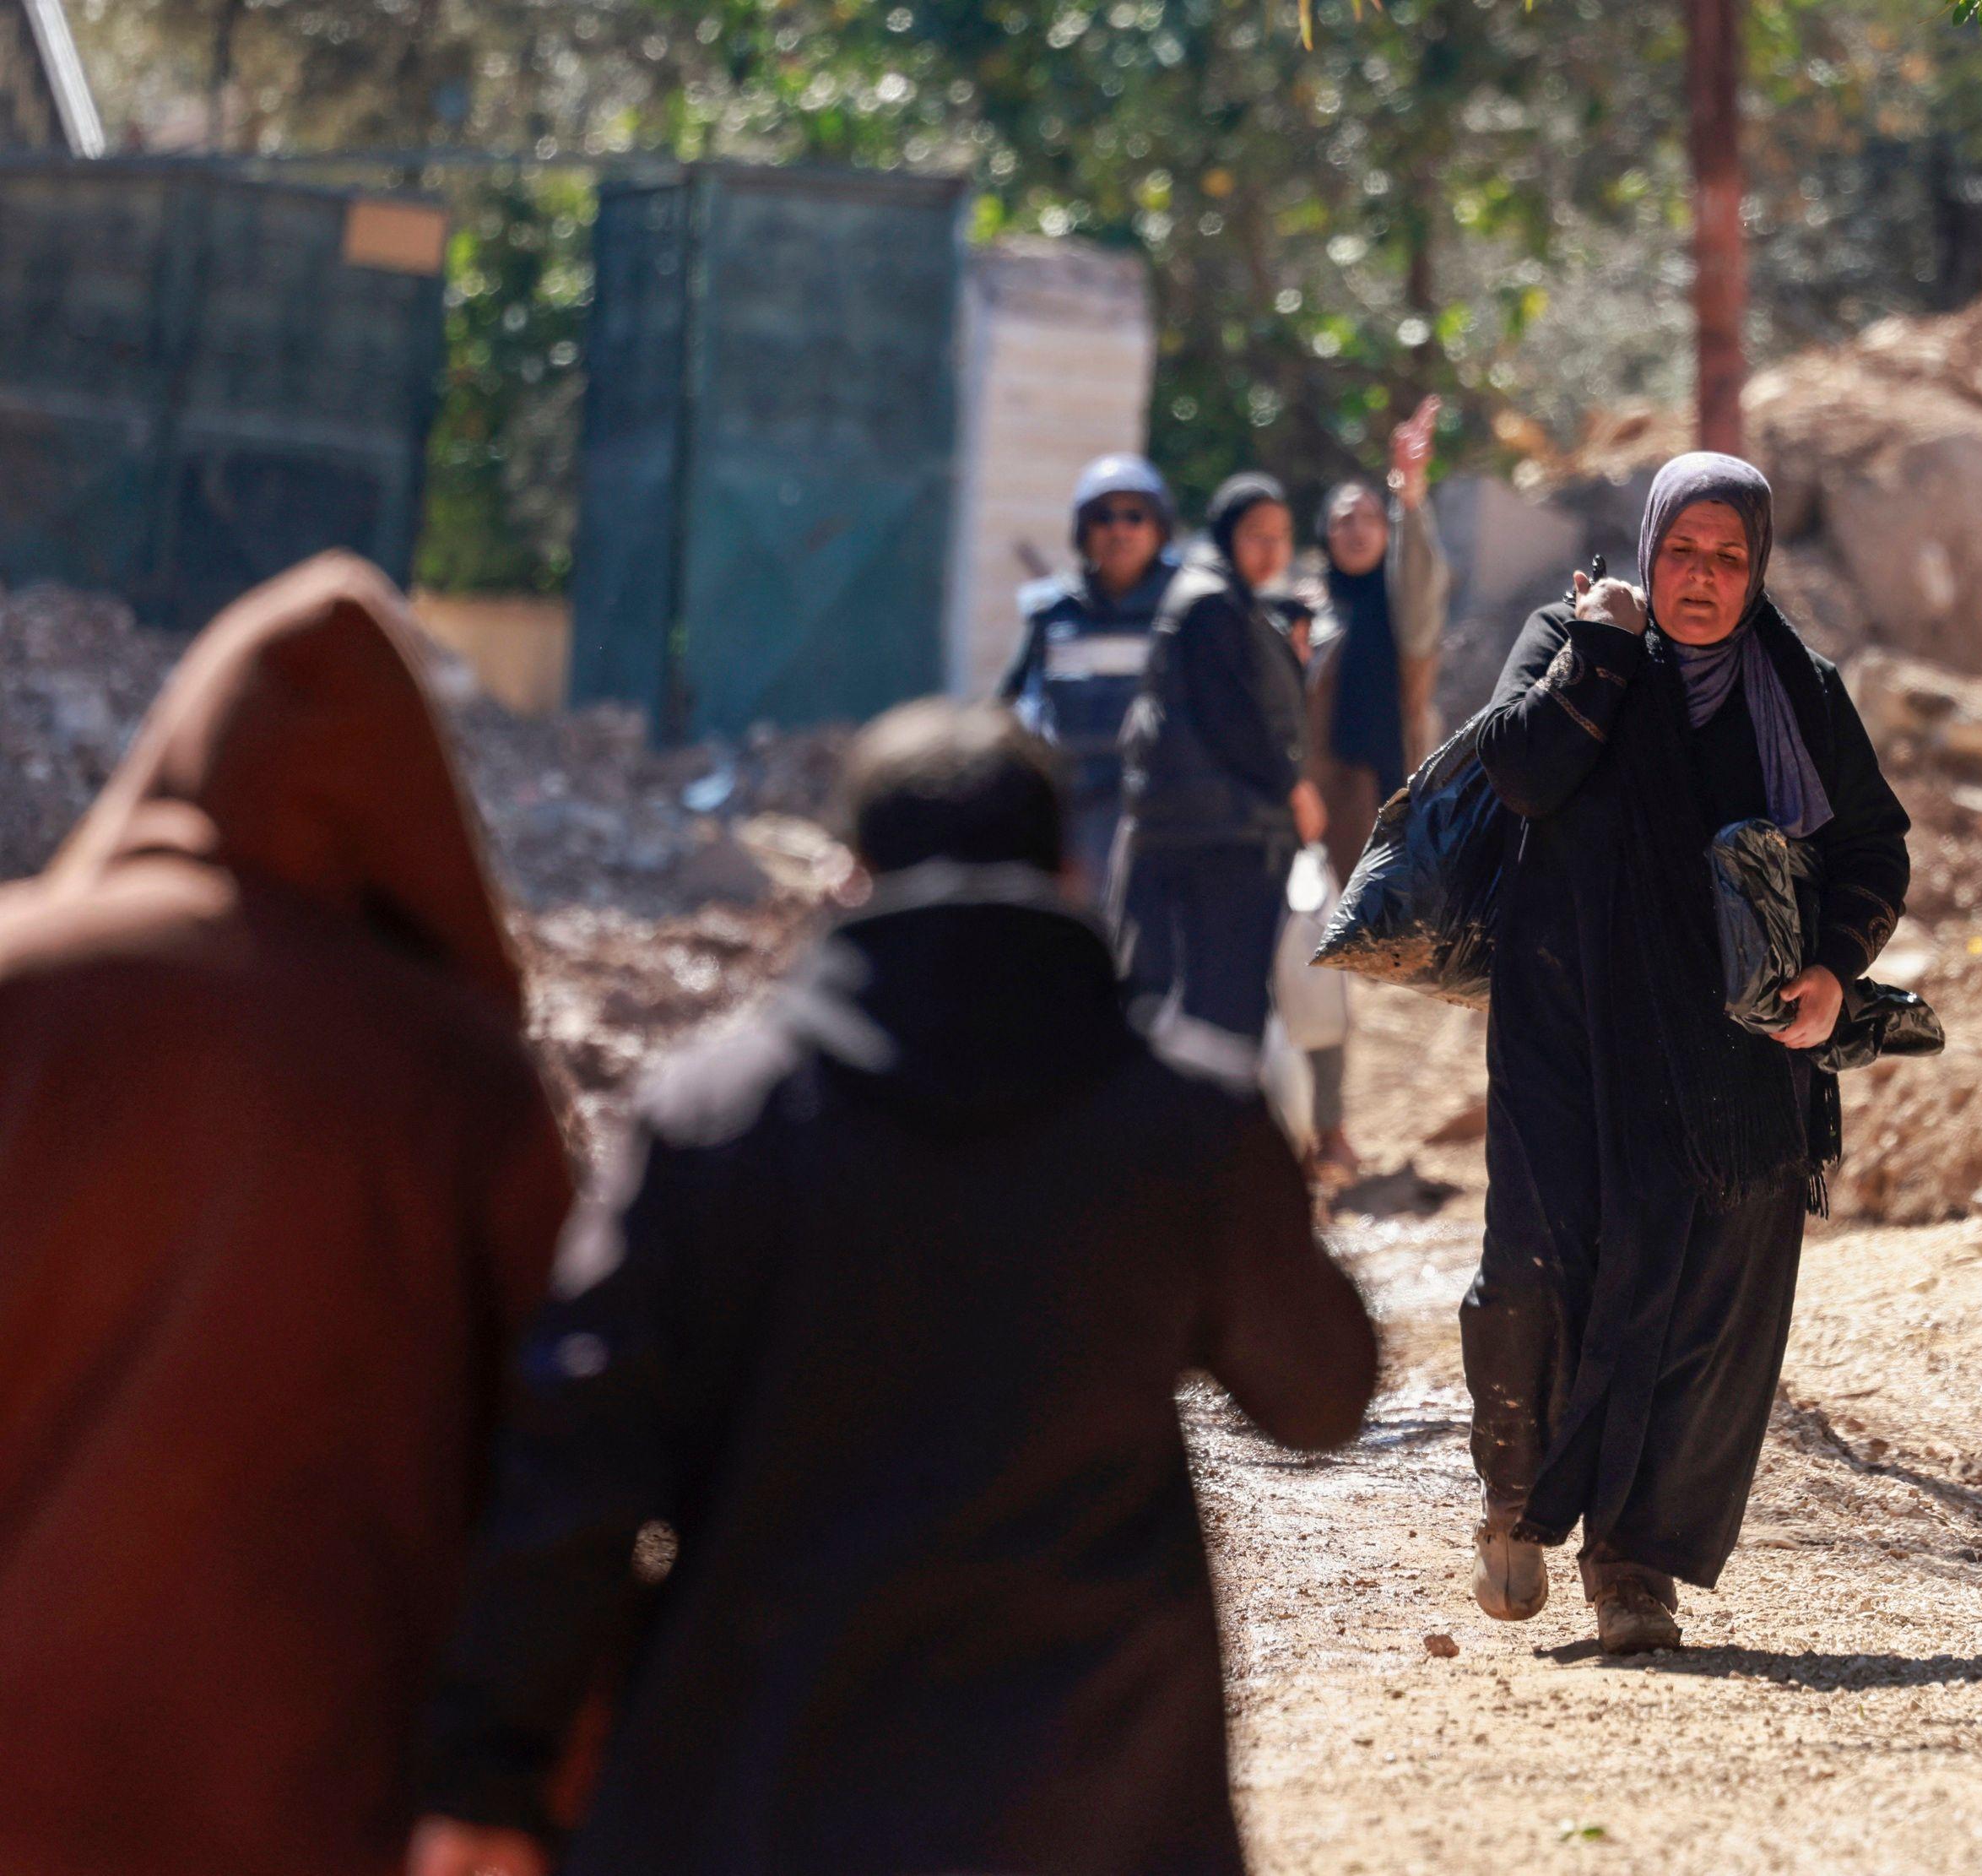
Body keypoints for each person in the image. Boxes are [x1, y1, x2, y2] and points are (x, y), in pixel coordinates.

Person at [406, 700, 1378, 1876]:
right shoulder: (1184, 1117)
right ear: (1071, 873)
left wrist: (488, 1775)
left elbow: (576, 1463)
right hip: (1097, 1807)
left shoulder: (714, 1121)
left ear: (847, 880)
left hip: (768, 1800)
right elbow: (1321, 1397)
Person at [0, 555, 572, 1876]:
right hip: (315, 1795)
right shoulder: (455, 1076)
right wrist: (531, 1780)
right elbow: (559, 1465)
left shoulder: (27, 981)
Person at [1458, 453, 1910, 1653]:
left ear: (1757, 570)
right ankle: (1515, 1494)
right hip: (1567, 1029)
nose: (1701, 579)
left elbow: (1872, 848)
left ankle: (1635, 1566)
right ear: (1646, 547)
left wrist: (1835, 967)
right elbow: (1520, 771)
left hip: (1730, 1058)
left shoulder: (1796, 690)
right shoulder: (1570, 638)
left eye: (1728, 557)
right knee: (1542, 1262)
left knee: (1701, 1300)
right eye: (1680, 553)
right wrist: (1603, 653)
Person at [1113, 472, 1327, 1068]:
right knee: (1218, 1015)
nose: (1272, 549)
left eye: (1281, 535)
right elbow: (1234, 720)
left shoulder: (1227, 600)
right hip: (1218, 837)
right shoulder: (1209, 603)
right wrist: (1293, 789)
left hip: (1212, 827)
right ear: (1227, 534)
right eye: (1257, 534)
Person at [1299, 397, 1453, 1174]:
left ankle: (1343, 1133)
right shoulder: (1304, 615)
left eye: (1368, 518)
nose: (1355, 529)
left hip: (1386, 812)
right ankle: (1318, 1128)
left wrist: (1408, 497)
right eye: (1342, 520)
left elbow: (1421, 587)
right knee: (1306, 972)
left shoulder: (1400, 620)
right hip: (1310, 815)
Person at [997, 453, 1183, 897]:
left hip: (1162, 805)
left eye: (1134, 516)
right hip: (1072, 805)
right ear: (1084, 530)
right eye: (1103, 517)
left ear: (1159, 527)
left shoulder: (1190, 606)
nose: (1119, 530)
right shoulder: (1052, 611)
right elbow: (1014, 703)